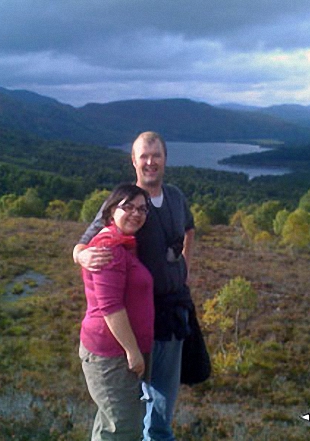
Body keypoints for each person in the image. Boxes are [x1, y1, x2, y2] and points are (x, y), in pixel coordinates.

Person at [73, 131, 195, 441]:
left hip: (172, 314)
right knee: (127, 407)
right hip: (135, 320)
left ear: (165, 159)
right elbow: (86, 242)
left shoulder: (177, 197)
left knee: (162, 402)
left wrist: (185, 268)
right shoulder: (125, 202)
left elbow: (190, 229)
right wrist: (81, 254)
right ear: (134, 161)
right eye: (144, 156)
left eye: (156, 155)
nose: (150, 162)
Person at [79, 183, 154, 441]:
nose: (136, 213)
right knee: (123, 429)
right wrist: (133, 352)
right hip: (111, 355)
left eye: (142, 209)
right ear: (111, 212)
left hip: (117, 352)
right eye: (128, 207)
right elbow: (111, 308)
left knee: (110, 422)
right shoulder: (107, 247)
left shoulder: (124, 244)